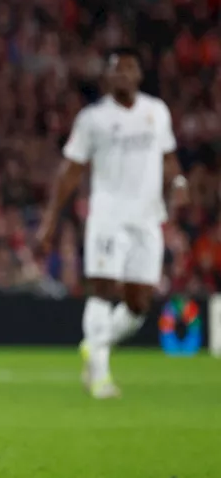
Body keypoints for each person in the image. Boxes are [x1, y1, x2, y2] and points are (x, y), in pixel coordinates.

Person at [38, 48, 186, 398]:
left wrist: (178, 184)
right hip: (107, 217)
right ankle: (101, 376)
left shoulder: (156, 112)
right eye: (116, 70)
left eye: (129, 69)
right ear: (107, 77)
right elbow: (70, 172)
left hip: (148, 218)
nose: (123, 75)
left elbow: (167, 158)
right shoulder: (93, 120)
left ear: (138, 74)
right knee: (104, 291)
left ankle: (95, 343)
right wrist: (50, 220)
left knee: (138, 305)